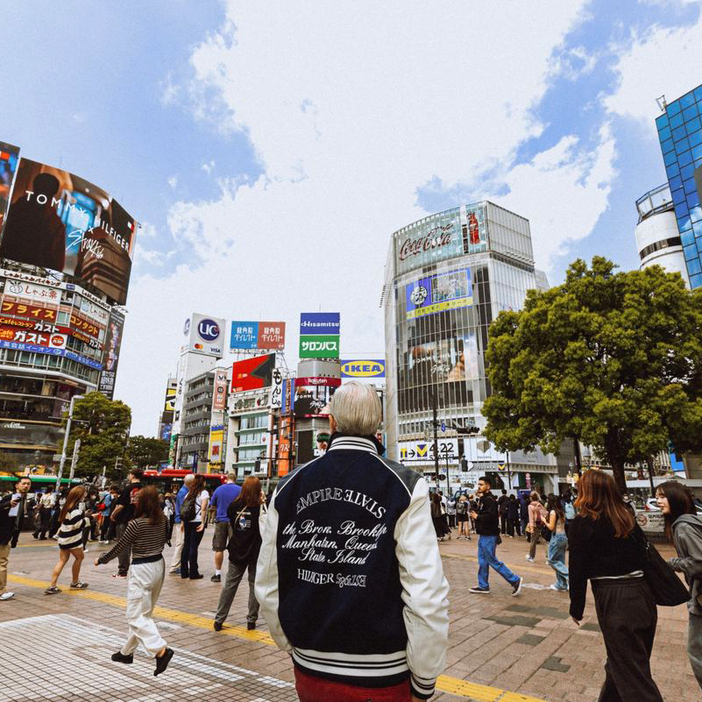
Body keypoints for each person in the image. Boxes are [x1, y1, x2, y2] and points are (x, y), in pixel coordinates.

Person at [256, 381, 449, 702]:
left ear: (331, 422)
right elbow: (426, 593)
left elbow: (267, 582)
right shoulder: (405, 486)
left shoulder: (287, 486)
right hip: (383, 672)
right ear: (378, 426)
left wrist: (290, 642)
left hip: (310, 667)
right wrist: (425, 677)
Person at [568, 470, 663, 702]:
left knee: (634, 676)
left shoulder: (582, 523)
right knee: (624, 663)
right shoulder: (625, 517)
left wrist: (576, 606)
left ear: (587, 492)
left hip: (614, 598)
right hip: (642, 594)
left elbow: (577, 569)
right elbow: (644, 556)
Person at [95, 486, 174, 676]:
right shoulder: (163, 520)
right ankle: (126, 653)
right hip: (158, 565)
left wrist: (102, 559)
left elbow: (121, 546)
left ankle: (160, 650)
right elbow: (166, 540)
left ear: (142, 503)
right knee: (144, 614)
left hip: (142, 569)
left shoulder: (136, 524)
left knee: (135, 615)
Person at [656, 481, 702, 690]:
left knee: (696, 652)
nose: (658, 502)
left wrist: (671, 564)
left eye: (662, 497)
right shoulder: (691, 521)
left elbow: (699, 562)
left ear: (675, 498)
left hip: (700, 597)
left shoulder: (683, 526)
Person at [214, 476, 264, 631]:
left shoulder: (235, 505)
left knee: (230, 585)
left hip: (237, 550)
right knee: (254, 585)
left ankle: (219, 619)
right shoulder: (261, 508)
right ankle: (251, 620)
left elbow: (231, 520)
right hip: (256, 552)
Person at [469, 476, 523, 596]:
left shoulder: (490, 500)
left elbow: (491, 517)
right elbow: (477, 511)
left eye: (481, 484)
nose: (479, 486)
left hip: (489, 535)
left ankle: (515, 580)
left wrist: (477, 517)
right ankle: (483, 585)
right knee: (482, 561)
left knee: (491, 560)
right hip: (483, 535)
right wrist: (475, 503)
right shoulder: (483, 500)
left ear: (488, 486)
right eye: (478, 484)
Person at [45, 486, 89, 594]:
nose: (85, 495)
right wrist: (88, 519)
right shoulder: (76, 510)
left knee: (62, 560)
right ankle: (75, 582)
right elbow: (77, 525)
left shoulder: (66, 506)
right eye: (84, 494)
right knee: (79, 557)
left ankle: (52, 586)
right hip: (73, 538)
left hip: (63, 538)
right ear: (80, 495)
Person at [0, 476, 34, 601]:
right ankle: (1, 591)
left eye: (28, 484)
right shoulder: (10, 498)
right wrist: (7, 504)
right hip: (2, 536)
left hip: (8, 536)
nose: (26, 486)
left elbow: (18, 522)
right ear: (17, 485)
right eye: (24, 483)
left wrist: (15, 539)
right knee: (2, 563)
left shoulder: (24, 499)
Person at [111, 470, 144, 578]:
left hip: (125, 521)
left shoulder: (127, 489)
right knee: (138, 545)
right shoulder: (144, 489)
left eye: (129, 474)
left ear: (133, 475)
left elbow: (120, 505)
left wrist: (113, 514)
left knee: (124, 545)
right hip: (139, 521)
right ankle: (138, 571)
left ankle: (122, 571)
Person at [209, 473, 241, 583]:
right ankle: (233, 573)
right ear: (235, 479)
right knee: (235, 548)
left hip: (221, 520)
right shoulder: (240, 490)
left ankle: (217, 574)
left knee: (219, 548)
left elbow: (212, 505)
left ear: (227, 479)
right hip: (234, 521)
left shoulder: (219, 489)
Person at [180, 474, 209, 579]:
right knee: (193, 546)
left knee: (186, 545)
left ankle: (184, 572)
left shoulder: (188, 493)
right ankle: (193, 572)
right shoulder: (204, 493)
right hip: (197, 522)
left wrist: (183, 523)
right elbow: (204, 508)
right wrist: (202, 522)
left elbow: (183, 509)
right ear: (203, 483)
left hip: (188, 522)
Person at [169, 474, 194, 574]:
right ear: (190, 483)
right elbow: (184, 509)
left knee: (182, 542)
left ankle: (178, 565)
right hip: (181, 521)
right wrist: (183, 521)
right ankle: (175, 566)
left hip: (180, 520)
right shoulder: (184, 493)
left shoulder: (184, 491)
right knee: (181, 542)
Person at [545, 494, 568, 592]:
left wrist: (543, 520)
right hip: (564, 537)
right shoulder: (561, 512)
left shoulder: (553, 512)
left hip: (557, 537)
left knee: (552, 560)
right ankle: (561, 584)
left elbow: (550, 527)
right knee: (560, 560)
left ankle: (569, 575)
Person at [526, 492, 547, 562]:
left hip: (535, 525)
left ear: (531, 498)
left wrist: (531, 527)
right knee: (545, 541)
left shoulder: (530, 506)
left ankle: (531, 556)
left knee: (533, 541)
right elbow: (546, 513)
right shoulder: (540, 505)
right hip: (541, 524)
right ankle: (548, 557)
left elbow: (531, 518)